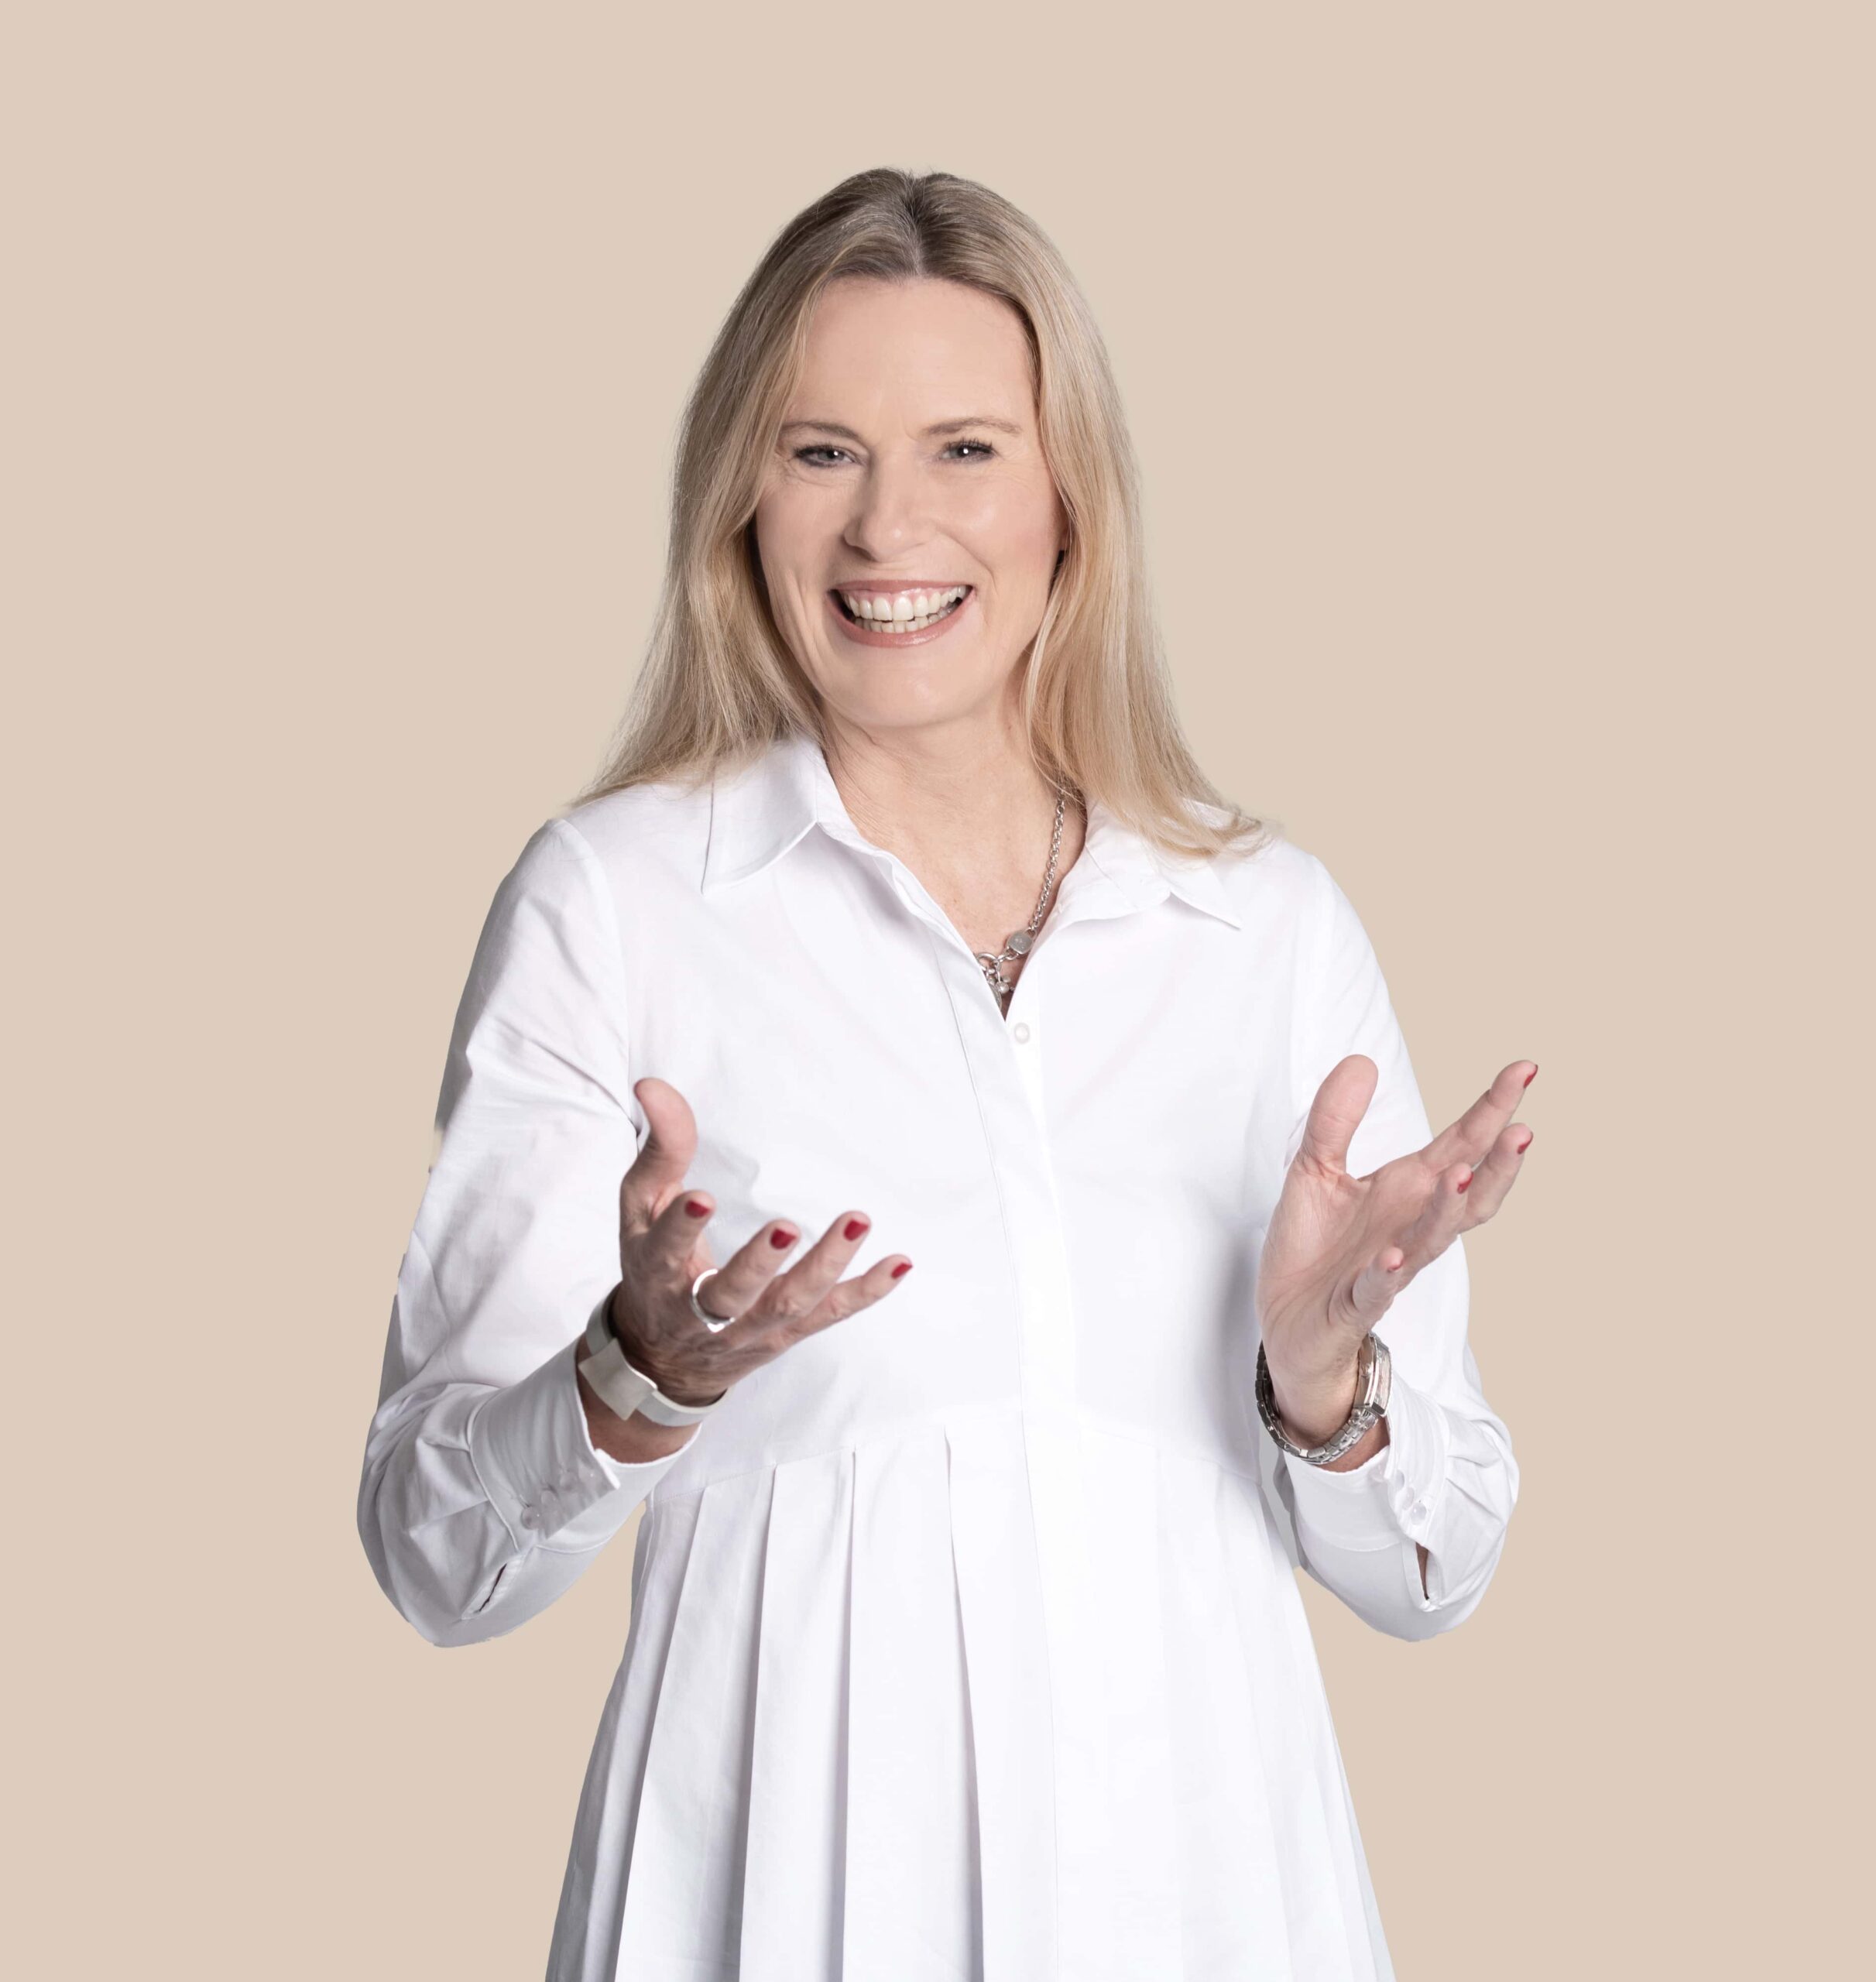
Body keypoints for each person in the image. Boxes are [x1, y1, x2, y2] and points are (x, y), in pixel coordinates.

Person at [357, 166, 1529, 1981]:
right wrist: (632, 1376)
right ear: (742, 499)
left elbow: (1437, 1569)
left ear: (1070, 501)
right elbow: (434, 1554)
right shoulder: (618, 903)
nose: (886, 524)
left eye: (964, 449)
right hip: (774, 1922)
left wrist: (1326, 1391)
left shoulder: (1266, 928)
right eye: (820, 450)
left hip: (1213, 1916)